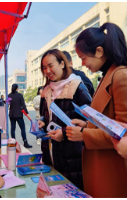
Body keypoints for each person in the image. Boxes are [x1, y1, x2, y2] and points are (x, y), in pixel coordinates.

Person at [65, 22, 127, 198]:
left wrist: (84, 134)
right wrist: (87, 124)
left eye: (84, 57)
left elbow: (124, 132)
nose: (83, 64)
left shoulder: (120, 76)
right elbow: (109, 120)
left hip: (112, 171)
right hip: (101, 165)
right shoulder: (107, 76)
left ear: (99, 51)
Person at [38, 49, 92, 191]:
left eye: (50, 66)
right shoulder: (47, 90)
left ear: (62, 64)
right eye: (44, 68)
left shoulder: (77, 87)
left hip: (72, 158)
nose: (47, 71)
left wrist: (63, 132)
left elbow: (90, 121)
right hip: (50, 155)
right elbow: (46, 115)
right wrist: (43, 121)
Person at [8, 84, 32, 148]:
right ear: (17, 88)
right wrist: (27, 113)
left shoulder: (9, 95)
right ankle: (25, 142)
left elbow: (7, 104)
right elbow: (23, 105)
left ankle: (13, 143)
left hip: (12, 114)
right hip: (19, 114)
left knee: (13, 128)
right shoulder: (20, 95)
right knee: (22, 128)